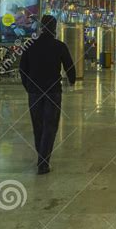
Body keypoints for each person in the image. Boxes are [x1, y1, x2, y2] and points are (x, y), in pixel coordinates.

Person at [19, 15, 76, 174]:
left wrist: (28, 86)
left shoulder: (30, 46)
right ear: (54, 28)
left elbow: (22, 69)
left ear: (41, 27)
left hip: (34, 93)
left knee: (38, 126)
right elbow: (69, 67)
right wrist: (72, 80)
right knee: (50, 126)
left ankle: (41, 157)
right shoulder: (59, 46)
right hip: (53, 92)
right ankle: (43, 161)